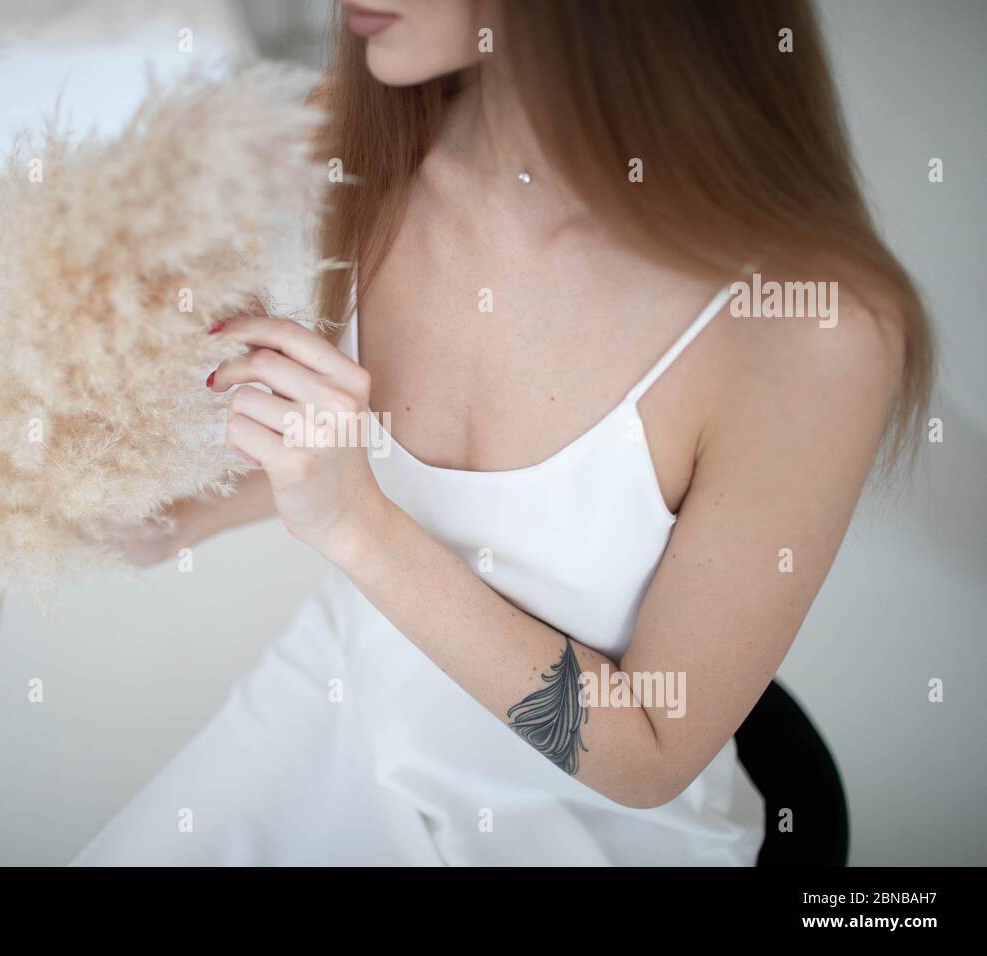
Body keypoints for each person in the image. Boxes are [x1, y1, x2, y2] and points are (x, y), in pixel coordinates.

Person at [75, 0, 931, 865]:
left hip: (581, 826)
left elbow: (651, 753)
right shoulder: (358, 136)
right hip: (346, 698)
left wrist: (351, 524)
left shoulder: (813, 327)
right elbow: (381, 472)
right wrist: (175, 518)